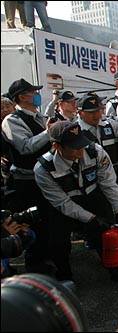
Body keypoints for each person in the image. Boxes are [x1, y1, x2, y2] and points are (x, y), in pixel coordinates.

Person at [34, 121, 118, 286]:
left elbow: (109, 184)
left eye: (81, 144)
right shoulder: (43, 169)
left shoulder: (96, 152)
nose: (81, 151)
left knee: (107, 235)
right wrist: (91, 218)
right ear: (57, 146)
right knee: (58, 244)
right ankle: (65, 277)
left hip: (93, 195)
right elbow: (63, 203)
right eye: (75, 147)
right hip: (64, 206)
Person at [1, 78, 54, 274]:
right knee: (31, 225)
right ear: (22, 97)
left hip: (45, 178)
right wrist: (49, 132)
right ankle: (35, 267)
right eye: (33, 92)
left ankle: (47, 257)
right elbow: (24, 147)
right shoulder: (12, 120)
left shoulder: (39, 117)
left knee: (47, 221)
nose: (37, 95)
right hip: (25, 182)